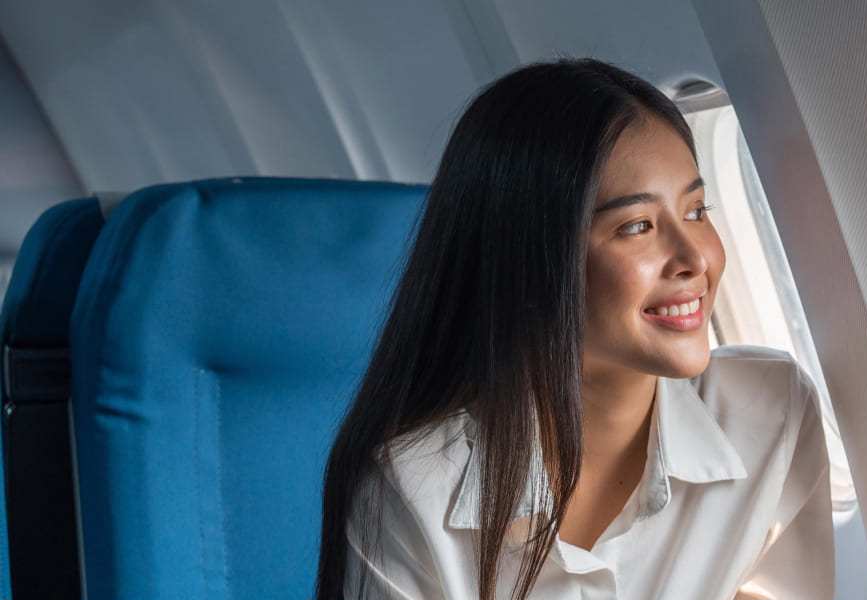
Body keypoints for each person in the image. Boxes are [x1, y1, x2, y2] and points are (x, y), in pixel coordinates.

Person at [311, 58, 832, 600]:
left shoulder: (770, 410)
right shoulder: (412, 488)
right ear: (532, 259)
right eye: (637, 227)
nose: (694, 258)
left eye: (697, 211)